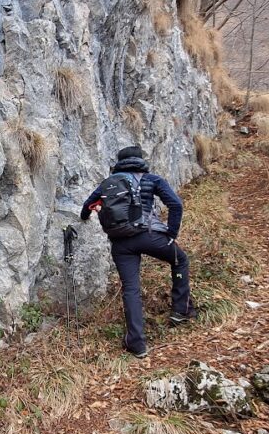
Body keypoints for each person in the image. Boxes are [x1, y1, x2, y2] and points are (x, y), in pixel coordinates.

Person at [80, 145, 195, 358]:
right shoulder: (152, 180)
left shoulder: (108, 184)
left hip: (121, 243)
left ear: (119, 162)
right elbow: (175, 205)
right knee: (180, 260)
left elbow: (86, 208)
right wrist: (171, 233)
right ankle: (181, 310)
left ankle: (137, 343)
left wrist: (87, 217)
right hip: (150, 235)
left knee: (131, 289)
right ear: (140, 160)